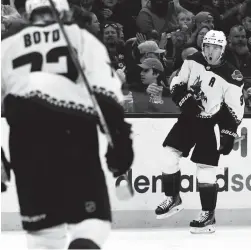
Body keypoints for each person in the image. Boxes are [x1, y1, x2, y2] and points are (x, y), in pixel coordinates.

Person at [1, 0, 134, 249]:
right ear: (64, 10)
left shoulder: (6, 44)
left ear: (29, 13)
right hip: (73, 133)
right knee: (93, 223)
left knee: (44, 235)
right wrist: (120, 143)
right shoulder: (80, 37)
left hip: (25, 142)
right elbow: (107, 96)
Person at [155, 30, 245, 233]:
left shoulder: (232, 76)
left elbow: (235, 110)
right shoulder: (192, 60)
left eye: (215, 47)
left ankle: (208, 215)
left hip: (210, 123)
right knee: (168, 155)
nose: (210, 51)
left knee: (205, 168)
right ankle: (172, 197)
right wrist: (183, 99)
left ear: (222, 49)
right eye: (207, 46)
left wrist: (228, 133)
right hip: (188, 119)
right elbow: (177, 82)